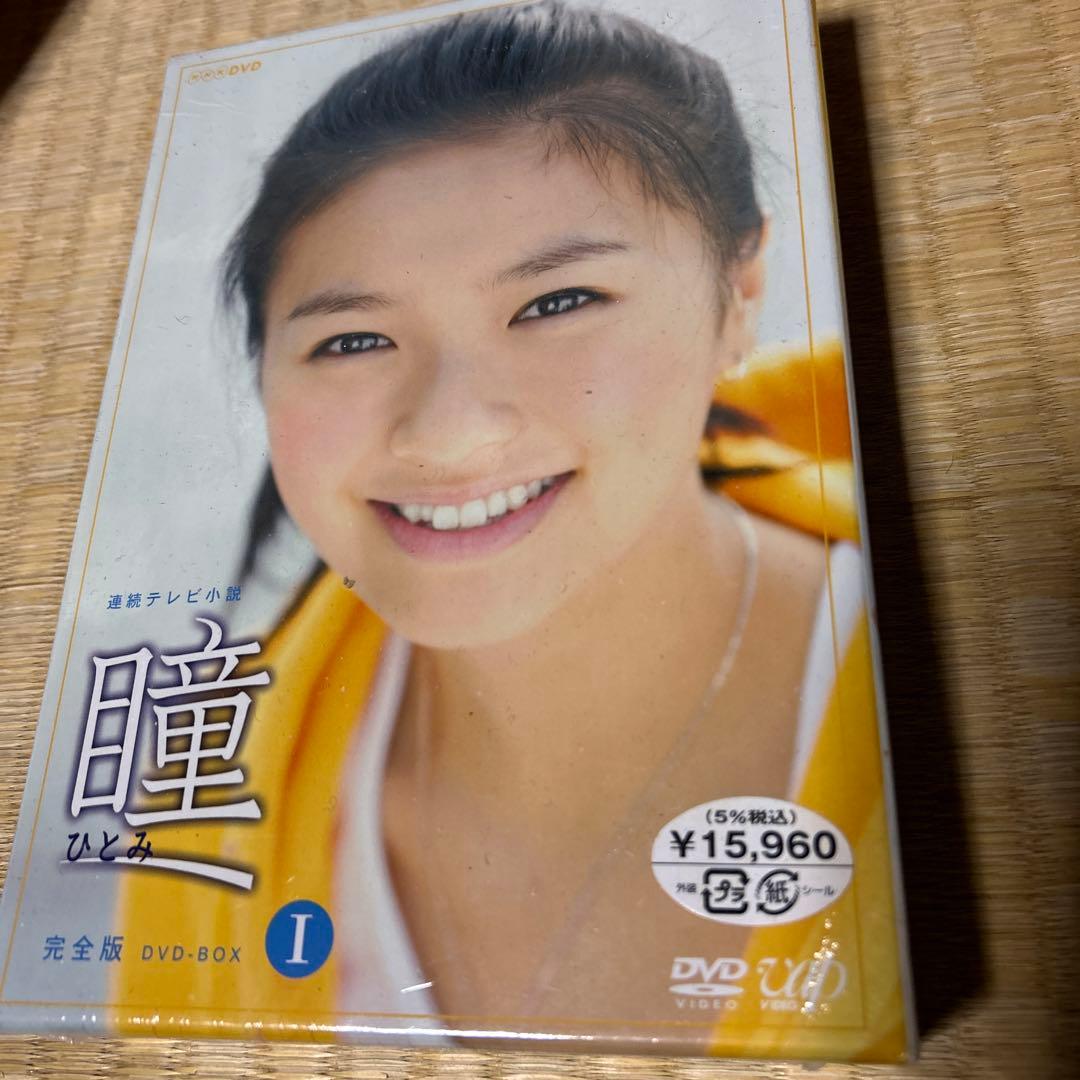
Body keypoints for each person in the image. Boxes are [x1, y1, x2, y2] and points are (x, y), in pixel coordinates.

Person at [115, 1, 903, 1057]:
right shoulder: (205, 821)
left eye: (558, 302)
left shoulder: (933, 689)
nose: (449, 435)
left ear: (739, 294)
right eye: (353, 339)